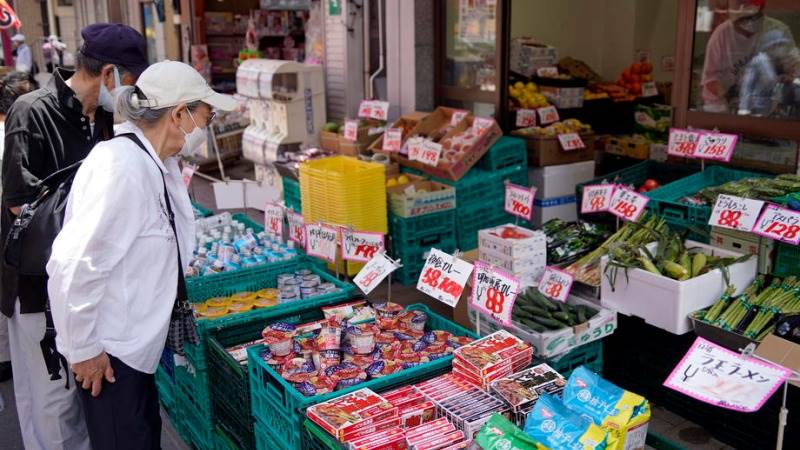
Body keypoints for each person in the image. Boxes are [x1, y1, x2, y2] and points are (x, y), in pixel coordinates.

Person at [47, 60, 235, 450]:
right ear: (179, 114)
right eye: (206, 114)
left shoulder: (153, 161)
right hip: (110, 358)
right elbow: (73, 264)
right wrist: (84, 351)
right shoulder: (122, 167)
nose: (209, 124)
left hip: (131, 351)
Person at [1, 23, 147, 450]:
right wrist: (100, 211)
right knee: (51, 403)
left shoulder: (102, 117)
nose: (131, 92)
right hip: (36, 287)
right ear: (108, 75)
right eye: (130, 80)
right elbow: (19, 203)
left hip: (83, 284)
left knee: (73, 402)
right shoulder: (31, 111)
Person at [0, 71, 38, 384]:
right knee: (42, 382)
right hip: (23, 266)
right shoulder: (16, 139)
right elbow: (19, 204)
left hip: (12, 268)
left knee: (28, 376)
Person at [700, 0, 796, 113]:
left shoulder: (778, 30)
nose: (748, 25)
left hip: (766, 105)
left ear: (761, 13)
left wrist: (787, 78)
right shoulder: (721, 35)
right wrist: (733, 98)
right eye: (742, 20)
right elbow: (711, 80)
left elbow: (794, 67)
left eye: (752, 18)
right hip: (722, 105)